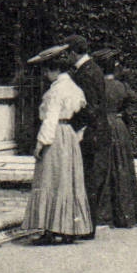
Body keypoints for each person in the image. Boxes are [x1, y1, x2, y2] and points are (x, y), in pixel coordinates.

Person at [22, 47, 93, 245]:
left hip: (55, 135)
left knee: (50, 179)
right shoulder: (74, 87)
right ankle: (69, 228)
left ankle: (51, 229)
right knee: (68, 181)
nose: (44, 75)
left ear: (53, 70)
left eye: (46, 71)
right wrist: (76, 136)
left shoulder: (55, 91)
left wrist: (40, 143)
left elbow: (50, 119)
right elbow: (83, 112)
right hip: (68, 135)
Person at [59, 35, 110, 232]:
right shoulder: (92, 69)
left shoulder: (86, 73)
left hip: (91, 133)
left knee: (88, 180)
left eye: (67, 53)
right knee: (90, 180)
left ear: (73, 52)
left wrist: (71, 125)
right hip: (96, 131)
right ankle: (87, 226)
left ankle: (87, 227)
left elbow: (90, 107)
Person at [93, 48, 137, 228]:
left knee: (102, 168)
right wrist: (121, 113)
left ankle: (103, 215)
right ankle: (125, 214)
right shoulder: (122, 86)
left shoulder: (96, 86)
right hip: (118, 126)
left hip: (101, 126)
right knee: (122, 168)